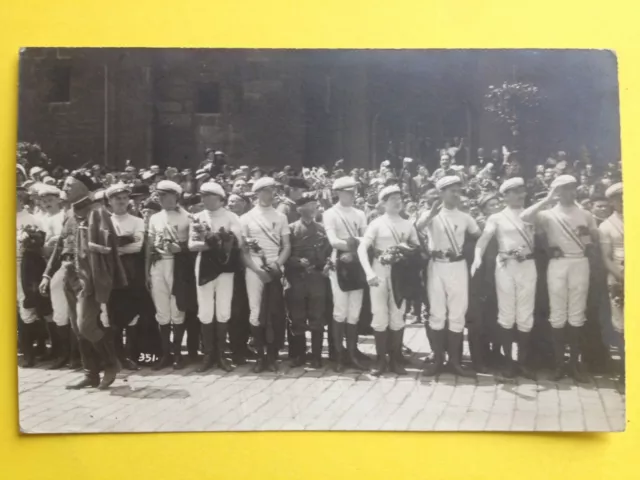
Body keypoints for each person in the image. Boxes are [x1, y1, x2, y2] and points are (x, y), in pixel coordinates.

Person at [521, 175, 598, 383]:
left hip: (579, 262)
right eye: (564, 189)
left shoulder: (585, 214)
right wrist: (547, 199)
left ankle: (573, 365)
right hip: (558, 264)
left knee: (576, 313)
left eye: (572, 188)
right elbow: (525, 217)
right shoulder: (547, 214)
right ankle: (558, 365)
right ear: (556, 191)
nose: (569, 192)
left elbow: (593, 239)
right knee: (557, 313)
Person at [471, 178, 536, 379]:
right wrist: (477, 258)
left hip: (528, 265)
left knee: (525, 314)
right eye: (513, 192)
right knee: (507, 314)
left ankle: (522, 362)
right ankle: (508, 362)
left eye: (521, 191)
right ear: (505, 195)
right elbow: (484, 239)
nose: (519, 195)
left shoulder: (533, 214)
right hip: (505, 266)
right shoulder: (497, 218)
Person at [418, 175, 480, 378]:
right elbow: (415, 229)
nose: (456, 194)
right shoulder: (431, 213)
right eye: (451, 190)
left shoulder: (465, 217)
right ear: (441, 193)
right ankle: (438, 360)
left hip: (458, 266)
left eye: (458, 190)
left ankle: (455, 362)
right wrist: (430, 215)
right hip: (437, 265)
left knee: (457, 313)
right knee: (437, 312)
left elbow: (479, 236)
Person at [358, 185, 419, 376]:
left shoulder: (408, 224)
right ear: (383, 203)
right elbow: (362, 249)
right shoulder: (376, 223)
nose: (397, 201)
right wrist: (369, 272)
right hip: (379, 271)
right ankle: (380, 361)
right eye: (392, 198)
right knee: (379, 315)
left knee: (398, 315)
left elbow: (416, 247)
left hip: (399, 274)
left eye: (400, 198)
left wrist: (405, 253)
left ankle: (395, 360)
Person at [188, 181, 243, 372]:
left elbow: (237, 243)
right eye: (203, 196)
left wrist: (213, 241)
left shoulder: (231, 217)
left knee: (223, 309)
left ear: (220, 199)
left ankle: (221, 355)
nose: (205, 199)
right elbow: (192, 245)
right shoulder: (197, 217)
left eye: (209, 196)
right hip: (204, 266)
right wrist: (218, 243)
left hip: (225, 267)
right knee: (205, 309)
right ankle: (208, 355)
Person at [240, 177, 291, 373]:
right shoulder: (246, 218)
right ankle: (260, 356)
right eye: (265, 191)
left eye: (272, 191)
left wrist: (277, 265)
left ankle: (272, 355)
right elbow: (243, 250)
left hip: (275, 265)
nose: (270, 195)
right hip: (254, 267)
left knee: (275, 310)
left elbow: (286, 246)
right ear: (257, 193)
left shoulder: (281, 217)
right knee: (255, 310)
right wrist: (257, 269)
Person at [323, 176, 369, 372]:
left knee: (354, 311)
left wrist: (356, 245)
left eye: (353, 191)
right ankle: (339, 356)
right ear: (338, 192)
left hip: (357, 261)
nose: (351, 195)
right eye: (347, 191)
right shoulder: (330, 213)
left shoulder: (360, 213)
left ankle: (352, 353)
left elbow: (367, 238)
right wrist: (353, 244)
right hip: (339, 261)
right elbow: (333, 241)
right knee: (340, 310)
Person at [147, 180, 193, 370]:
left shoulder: (188, 217)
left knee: (177, 310)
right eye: (160, 195)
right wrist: (147, 273)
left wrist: (180, 249)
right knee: (162, 311)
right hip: (158, 264)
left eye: (167, 195)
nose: (163, 199)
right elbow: (150, 246)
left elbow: (193, 246)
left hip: (177, 265)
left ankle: (177, 355)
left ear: (176, 196)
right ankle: (165, 354)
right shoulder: (155, 218)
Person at [285, 196, 331, 368]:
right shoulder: (291, 229)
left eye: (315, 206)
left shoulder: (322, 229)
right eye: (310, 206)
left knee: (317, 318)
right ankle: (299, 355)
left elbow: (328, 254)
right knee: (297, 318)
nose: (314, 209)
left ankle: (317, 356)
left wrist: (326, 265)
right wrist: (297, 261)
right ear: (299, 209)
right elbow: (285, 254)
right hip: (296, 280)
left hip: (317, 280)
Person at [105, 183, 146, 371]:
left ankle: (131, 354)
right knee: (113, 315)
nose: (121, 202)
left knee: (131, 313)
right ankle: (117, 355)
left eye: (124, 198)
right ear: (110, 201)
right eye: (117, 199)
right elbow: (101, 246)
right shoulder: (105, 221)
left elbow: (137, 246)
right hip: (111, 272)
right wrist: (119, 246)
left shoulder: (137, 221)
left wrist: (113, 248)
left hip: (131, 271)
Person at [17, 186, 46, 368]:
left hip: (23, 265)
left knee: (25, 304)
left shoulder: (31, 219)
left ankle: (30, 352)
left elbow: (38, 246)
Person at [599, 182, 624, 383]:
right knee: (621, 325)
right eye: (617, 198)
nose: (622, 201)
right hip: (619, 277)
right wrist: (623, 278)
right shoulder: (607, 226)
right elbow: (606, 258)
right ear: (611, 202)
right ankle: (625, 368)